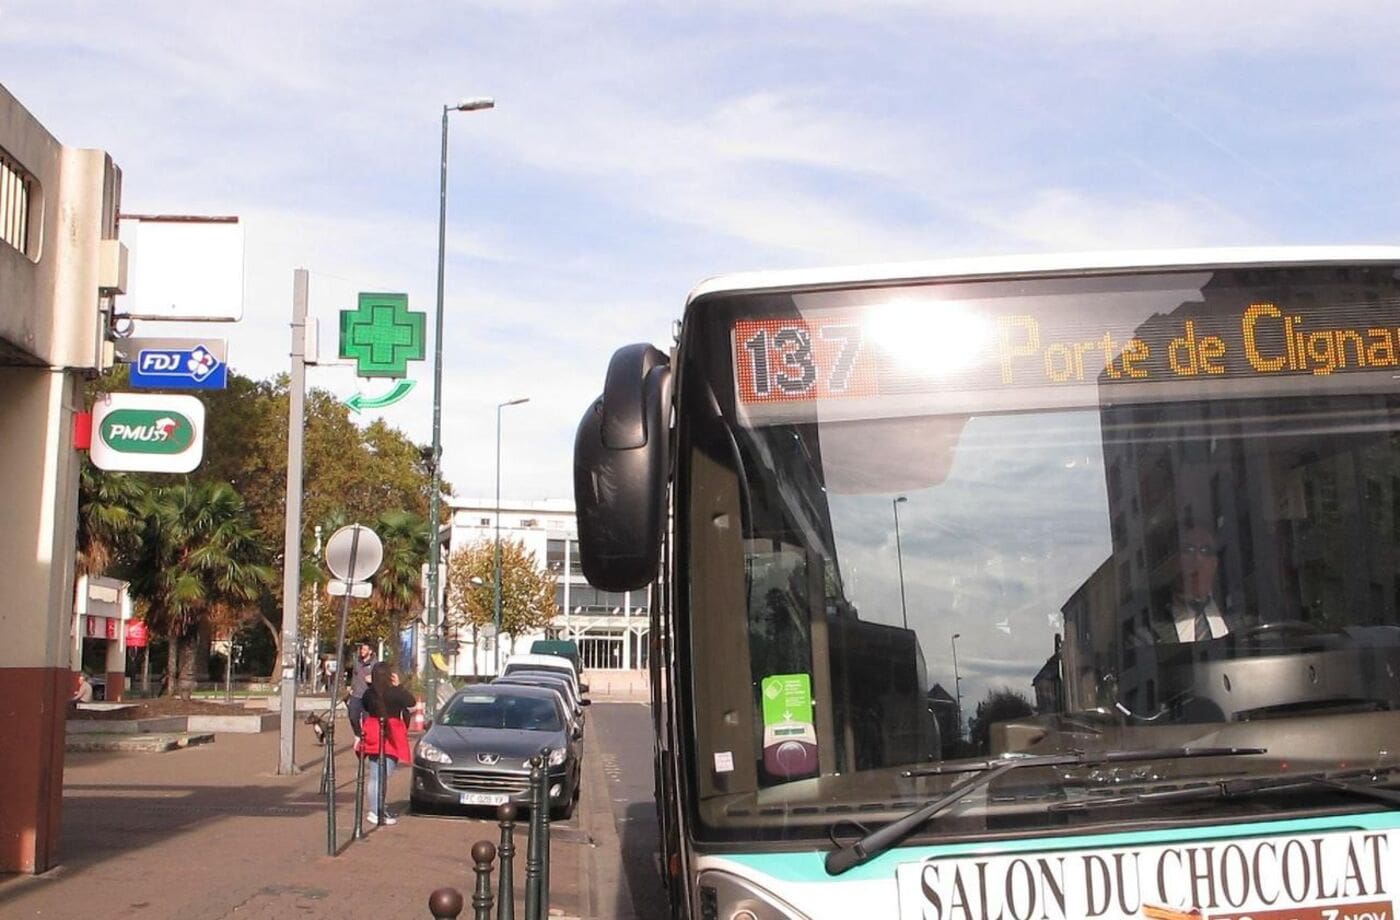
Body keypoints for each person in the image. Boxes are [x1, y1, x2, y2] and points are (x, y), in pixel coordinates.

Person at [1147, 524, 1243, 643]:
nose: (1198, 559)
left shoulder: (1242, 619)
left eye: (1206, 551)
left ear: (1215, 563)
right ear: (1172, 561)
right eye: (1188, 550)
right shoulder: (1148, 630)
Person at [360, 661, 414, 826]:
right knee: (384, 775)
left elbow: (365, 706)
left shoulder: (369, 693)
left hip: (373, 731)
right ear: (390, 676)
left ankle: (375, 809)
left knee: (375, 775)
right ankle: (377, 811)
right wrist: (398, 686)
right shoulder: (394, 693)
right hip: (391, 733)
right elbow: (410, 702)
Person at [346, 640, 377, 736]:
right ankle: (358, 735)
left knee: (366, 720)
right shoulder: (357, 662)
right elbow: (354, 676)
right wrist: (351, 687)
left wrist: (373, 680)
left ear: (370, 651)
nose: (362, 651)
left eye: (364, 649)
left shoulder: (375, 664)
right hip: (356, 694)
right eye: (361, 649)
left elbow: (380, 679)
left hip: (368, 696)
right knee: (352, 716)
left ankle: (366, 739)